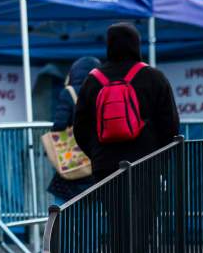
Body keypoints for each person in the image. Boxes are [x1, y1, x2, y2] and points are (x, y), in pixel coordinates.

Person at [73, 22, 180, 181]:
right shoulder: (154, 77)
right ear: (136, 44)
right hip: (146, 162)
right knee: (146, 206)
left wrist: (96, 153)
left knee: (114, 206)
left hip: (106, 166)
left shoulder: (92, 80)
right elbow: (170, 124)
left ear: (109, 44)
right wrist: (159, 156)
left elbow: (80, 128)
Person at [47, 57, 101, 204]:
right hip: (97, 161)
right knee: (94, 212)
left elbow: (59, 126)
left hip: (72, 162)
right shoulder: (103, 91)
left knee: (63, 210)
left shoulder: (69, 93)